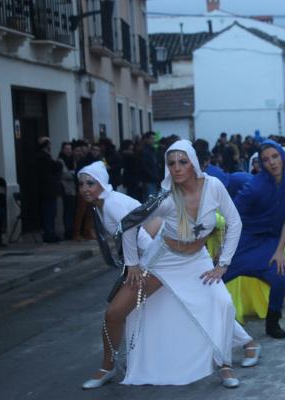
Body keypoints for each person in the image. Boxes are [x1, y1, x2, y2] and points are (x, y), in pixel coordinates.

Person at [80, 142, 259, 390]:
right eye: (171, 163)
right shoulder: (166, 199)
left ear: (194, 162)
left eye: (182, 162)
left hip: (198, 262)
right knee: (115, 312)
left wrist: (223, 265)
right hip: (160, 261)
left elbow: (234, 222)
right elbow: (129, 225)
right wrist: (132, 264)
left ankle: (223, 362)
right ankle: (107, 366)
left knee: (222, 303)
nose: (176, 168)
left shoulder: (214, 187)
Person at [224, 140, 285, 337]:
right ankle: (204, 320)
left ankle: (272, 322)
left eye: (275, 157)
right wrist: (225, 249)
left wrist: (279, 250)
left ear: (283, 157)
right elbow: (232, 216)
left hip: (270, 243)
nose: (272, 163)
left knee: (280, 278)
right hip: (244, 242)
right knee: (214, 280)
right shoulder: (254, 187)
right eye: (266, 160)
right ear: (261, 163)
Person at [35, 137, 62, 243]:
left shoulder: (44, 157)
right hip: (47, 190)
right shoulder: (43, 157)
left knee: (51, 213)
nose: (51, 146)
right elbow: (55, 166)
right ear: (46, 145)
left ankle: (51, 233)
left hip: (49, 189)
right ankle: (49, 234)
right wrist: (58, 163)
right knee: (49, 213)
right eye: (49, 144)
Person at [58, 142, 76, 240]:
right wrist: (74, 174)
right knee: (68, 211)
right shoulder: (61, 160)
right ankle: (68, 231)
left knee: (71, 211)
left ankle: (71, 230)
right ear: (62, 150)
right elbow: (65, 175)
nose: (69, 151)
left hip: (73, 189)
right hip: (66, 189)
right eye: (67, 149)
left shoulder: (72, 160)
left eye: (70, 149)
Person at [139, 132, 159, 201]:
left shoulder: (150, 150)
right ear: (146, 139)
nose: (153, 140)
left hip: (151, 179)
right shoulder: (145, 151)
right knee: (150, 200)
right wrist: (153, 175)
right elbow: (144, 166)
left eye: (154, 139)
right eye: (152, 139)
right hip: (148, 179)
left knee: (151, 199)